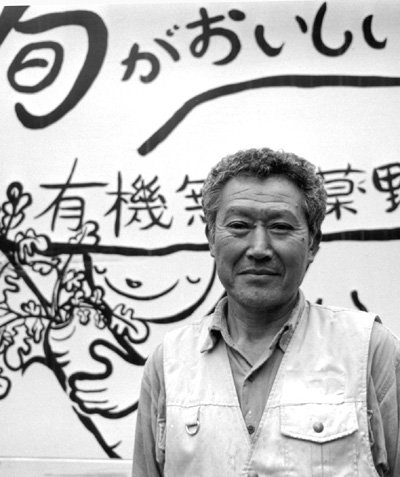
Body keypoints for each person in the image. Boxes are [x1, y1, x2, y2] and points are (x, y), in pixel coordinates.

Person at [132, 147, 400, 476]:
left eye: (281, 227)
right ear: (211, 238)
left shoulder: (369, 351)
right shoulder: (169, 363)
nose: (259, 248)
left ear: (313, 243)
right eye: (239, 225)